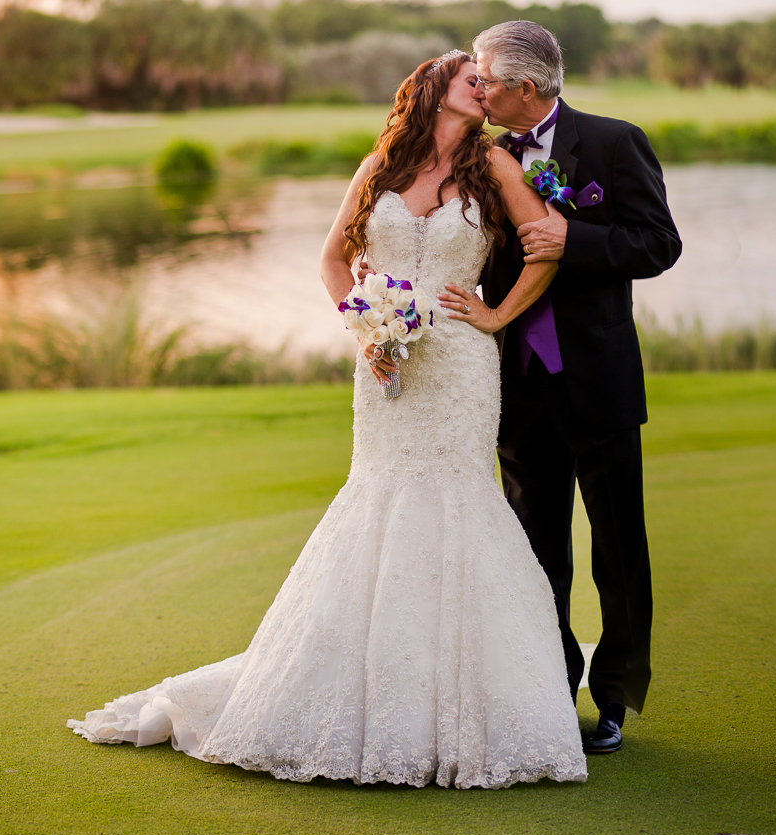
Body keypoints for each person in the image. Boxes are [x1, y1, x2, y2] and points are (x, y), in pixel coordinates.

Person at [70, 51, 587, 789]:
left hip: (463, 366)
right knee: (377, 503)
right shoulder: (381, 163)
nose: (486, 87)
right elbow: (333, 262)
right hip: (385, 367)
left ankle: (469, 707)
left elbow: (546, 245)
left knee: (459, 503)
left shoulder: (494, 166)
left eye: (488, 80)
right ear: (434, 90)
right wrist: (367, 331)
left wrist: (497, 314)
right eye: (471, 79)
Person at [473, 20, 682, 754]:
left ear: (523, 88)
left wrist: (575, 240)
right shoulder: (485, 158)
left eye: (484, 77)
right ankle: (549, 683)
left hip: (597, 381)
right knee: (534, 552)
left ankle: (617, 696)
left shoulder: (614, 142)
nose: (476, 87)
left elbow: (657, 245)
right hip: (517, 388)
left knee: (617, 548)